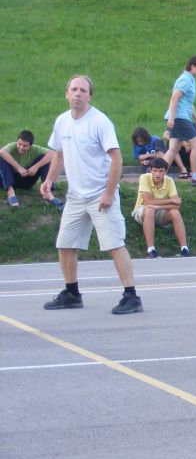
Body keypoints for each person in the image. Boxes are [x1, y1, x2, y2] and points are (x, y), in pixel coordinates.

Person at [40, 75, 143, 314]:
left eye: (83, 90)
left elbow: (116, 159)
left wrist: (109, 193)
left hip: (100, 194)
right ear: (67, 93)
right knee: (65, 244)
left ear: (90, 96)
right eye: (74, 89)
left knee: (114, 244)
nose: (78, 94)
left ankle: (132, 296)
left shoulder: (99, 121)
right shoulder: (62, 121)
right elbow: (59, 154)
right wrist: (49, 180)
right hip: (76, 196)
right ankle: (71, 294)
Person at [161, 56, 196, 186]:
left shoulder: (190, 79)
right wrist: (172, 118)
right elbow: (174, 98)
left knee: (173, 149)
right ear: (192, 67)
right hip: (179, 117)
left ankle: (158, 177)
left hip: (180, 117)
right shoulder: (185, 79)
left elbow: (188, 103)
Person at [131, 157, 189, 259]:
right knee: (150, 210)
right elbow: (148, 201)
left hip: (160, 211)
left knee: (175, 212)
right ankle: (151, 250)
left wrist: (159, 206)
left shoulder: (169, 181)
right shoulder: (144, 177)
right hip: (142, 209)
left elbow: (177, 205)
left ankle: (184, 249)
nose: (157, 174)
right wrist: (170, 201)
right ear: (150, 170)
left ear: (165, 171)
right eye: (155, 170)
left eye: (161, 171)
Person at [0, 129, 63, 209]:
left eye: (25, 146)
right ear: (17, 142)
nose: (21, 147)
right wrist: (19, 168)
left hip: (27, 179)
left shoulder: (35, 149)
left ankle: (47, 192)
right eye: (19, 144)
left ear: (30, 146)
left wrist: (36, 166)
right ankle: (10, 192)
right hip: (9, 179)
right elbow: (2, 152)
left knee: (44, 158)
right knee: (1, 158)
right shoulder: (12, 146)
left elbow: (52, 154)